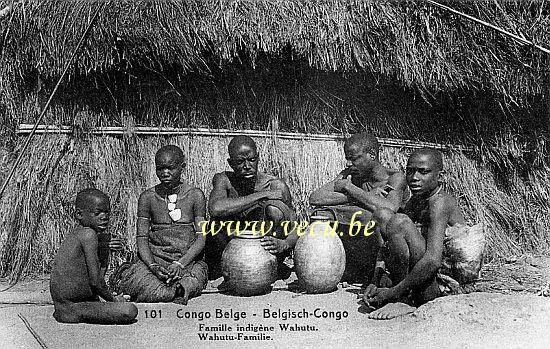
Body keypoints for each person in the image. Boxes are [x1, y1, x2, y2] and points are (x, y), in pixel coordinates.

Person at [363, 148, 466, 320]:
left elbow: (433, 261)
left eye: (423, 172)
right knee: (382, 214)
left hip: (441, 286)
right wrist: (375, 280)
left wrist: (392, 293)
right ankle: (400, 292)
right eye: (410, 171)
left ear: (441, 175)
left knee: (400, 222)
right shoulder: (416, 200)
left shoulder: (440, 203)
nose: (414, 178)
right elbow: (389, 246)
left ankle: (404, 300)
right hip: (421, 279)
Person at [110, 145, 208, 304]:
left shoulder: (195, 195)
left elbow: (201, 238)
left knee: (197, 276)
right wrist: (153, 266)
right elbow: (142, 238)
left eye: (170, 168)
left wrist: (180, 263)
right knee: (136, 278)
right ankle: (172, 292)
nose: (165, 173)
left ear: (182, 167)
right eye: (160, 169)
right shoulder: (147, 197)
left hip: (186, 260)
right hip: (156, 258)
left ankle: (178, 289)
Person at [309, 132, 408, 284]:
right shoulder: (351, 174)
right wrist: (361, 195)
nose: (348, 163)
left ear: (372, 154)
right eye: (347, 158)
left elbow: (391, 207)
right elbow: (316, 197)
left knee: (380, 216)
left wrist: (351, 188)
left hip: (383, 248)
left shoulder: (395, 178)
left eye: (354, 158)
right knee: (321, 215)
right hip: (358, 245)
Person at [205, 135, 298, 279]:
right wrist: (261, 196)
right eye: (240, 162)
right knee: (216, 222)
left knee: (275, 209)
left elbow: (294, 226)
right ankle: (225, 268)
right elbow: (215, 208)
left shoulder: (275, 185)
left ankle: (272, 265)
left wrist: (284, 244)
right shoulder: (224, 180)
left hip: (264, 248)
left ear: (258, 157)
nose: (247, 166)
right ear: (231, 163)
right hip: (231, 249)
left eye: (252, 160)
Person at [50, 188, 138, 324]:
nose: (104, 217)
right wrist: (114, 300)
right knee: (129, 310)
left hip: (69, 305)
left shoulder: (82, 234)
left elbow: (98, 276)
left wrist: (105, 249)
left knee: (105, 238)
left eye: (106, 212)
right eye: (97, 213)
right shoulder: (88, 235)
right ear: (79, 214)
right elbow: (96, 281)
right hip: (72, 307)